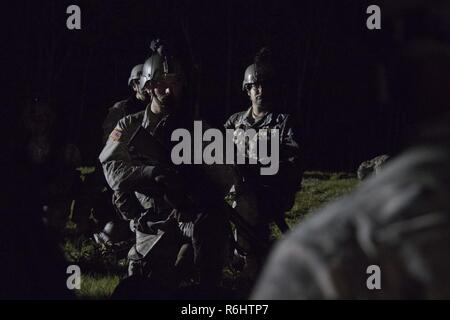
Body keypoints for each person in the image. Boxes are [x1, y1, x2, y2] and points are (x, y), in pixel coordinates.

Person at [99, 51, 228, 296]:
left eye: (175, 83)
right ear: (148, 88)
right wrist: (150, 173)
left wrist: (198, 192)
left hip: (191, 219)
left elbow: (223, 180)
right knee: (146, 286)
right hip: (152, 221)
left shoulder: (199, 130)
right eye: (161, 84)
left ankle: (206, 284)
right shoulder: (129, 126)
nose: (169, 91)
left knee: (212, 227)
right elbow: (112, 170)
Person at [224, 48, 303, 277]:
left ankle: (249, 261)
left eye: (265, 84)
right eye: (255, 86)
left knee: (246, 202)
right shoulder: (234, 122)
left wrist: (264, 159)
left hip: (271, 189)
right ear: (247, 90)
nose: (261, 90)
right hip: (234, 185)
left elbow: (293, 160)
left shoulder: (283, 122)